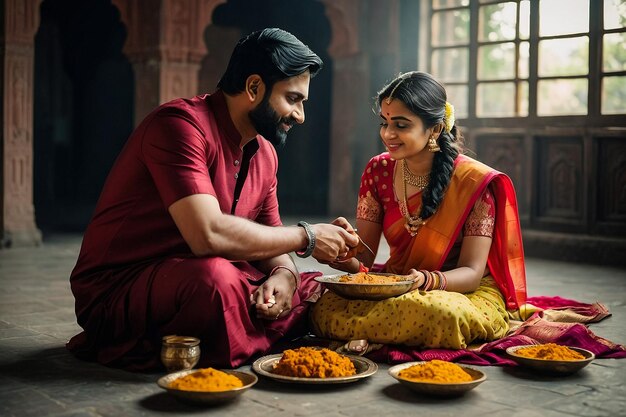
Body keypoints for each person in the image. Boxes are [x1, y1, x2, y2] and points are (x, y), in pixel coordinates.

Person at [67, 28, 358, 371]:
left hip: (203, 272)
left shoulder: (265, 153)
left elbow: (272, 241)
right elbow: (208, 235)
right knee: (216, 283)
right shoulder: (180, 126)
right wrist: (308, 237)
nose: (300, 116)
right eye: (293, 99)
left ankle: (237, 333)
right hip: (120, 288)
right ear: (254, 88)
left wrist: (285, 276)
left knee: (313, 286)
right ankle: (266, 331)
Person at [310, 71, 527, 353]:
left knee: (443, 316)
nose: (388, 134)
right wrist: (345, 251)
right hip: (397, 285)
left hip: (458, 292)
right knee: (323, 306)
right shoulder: (378, 171)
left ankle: (371, 330)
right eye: (384, 123)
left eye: (401, 125)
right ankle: (387, 329)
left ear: (435, 129)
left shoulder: (473, 183)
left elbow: (472, 273)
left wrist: (427, 281)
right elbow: (363, 262)